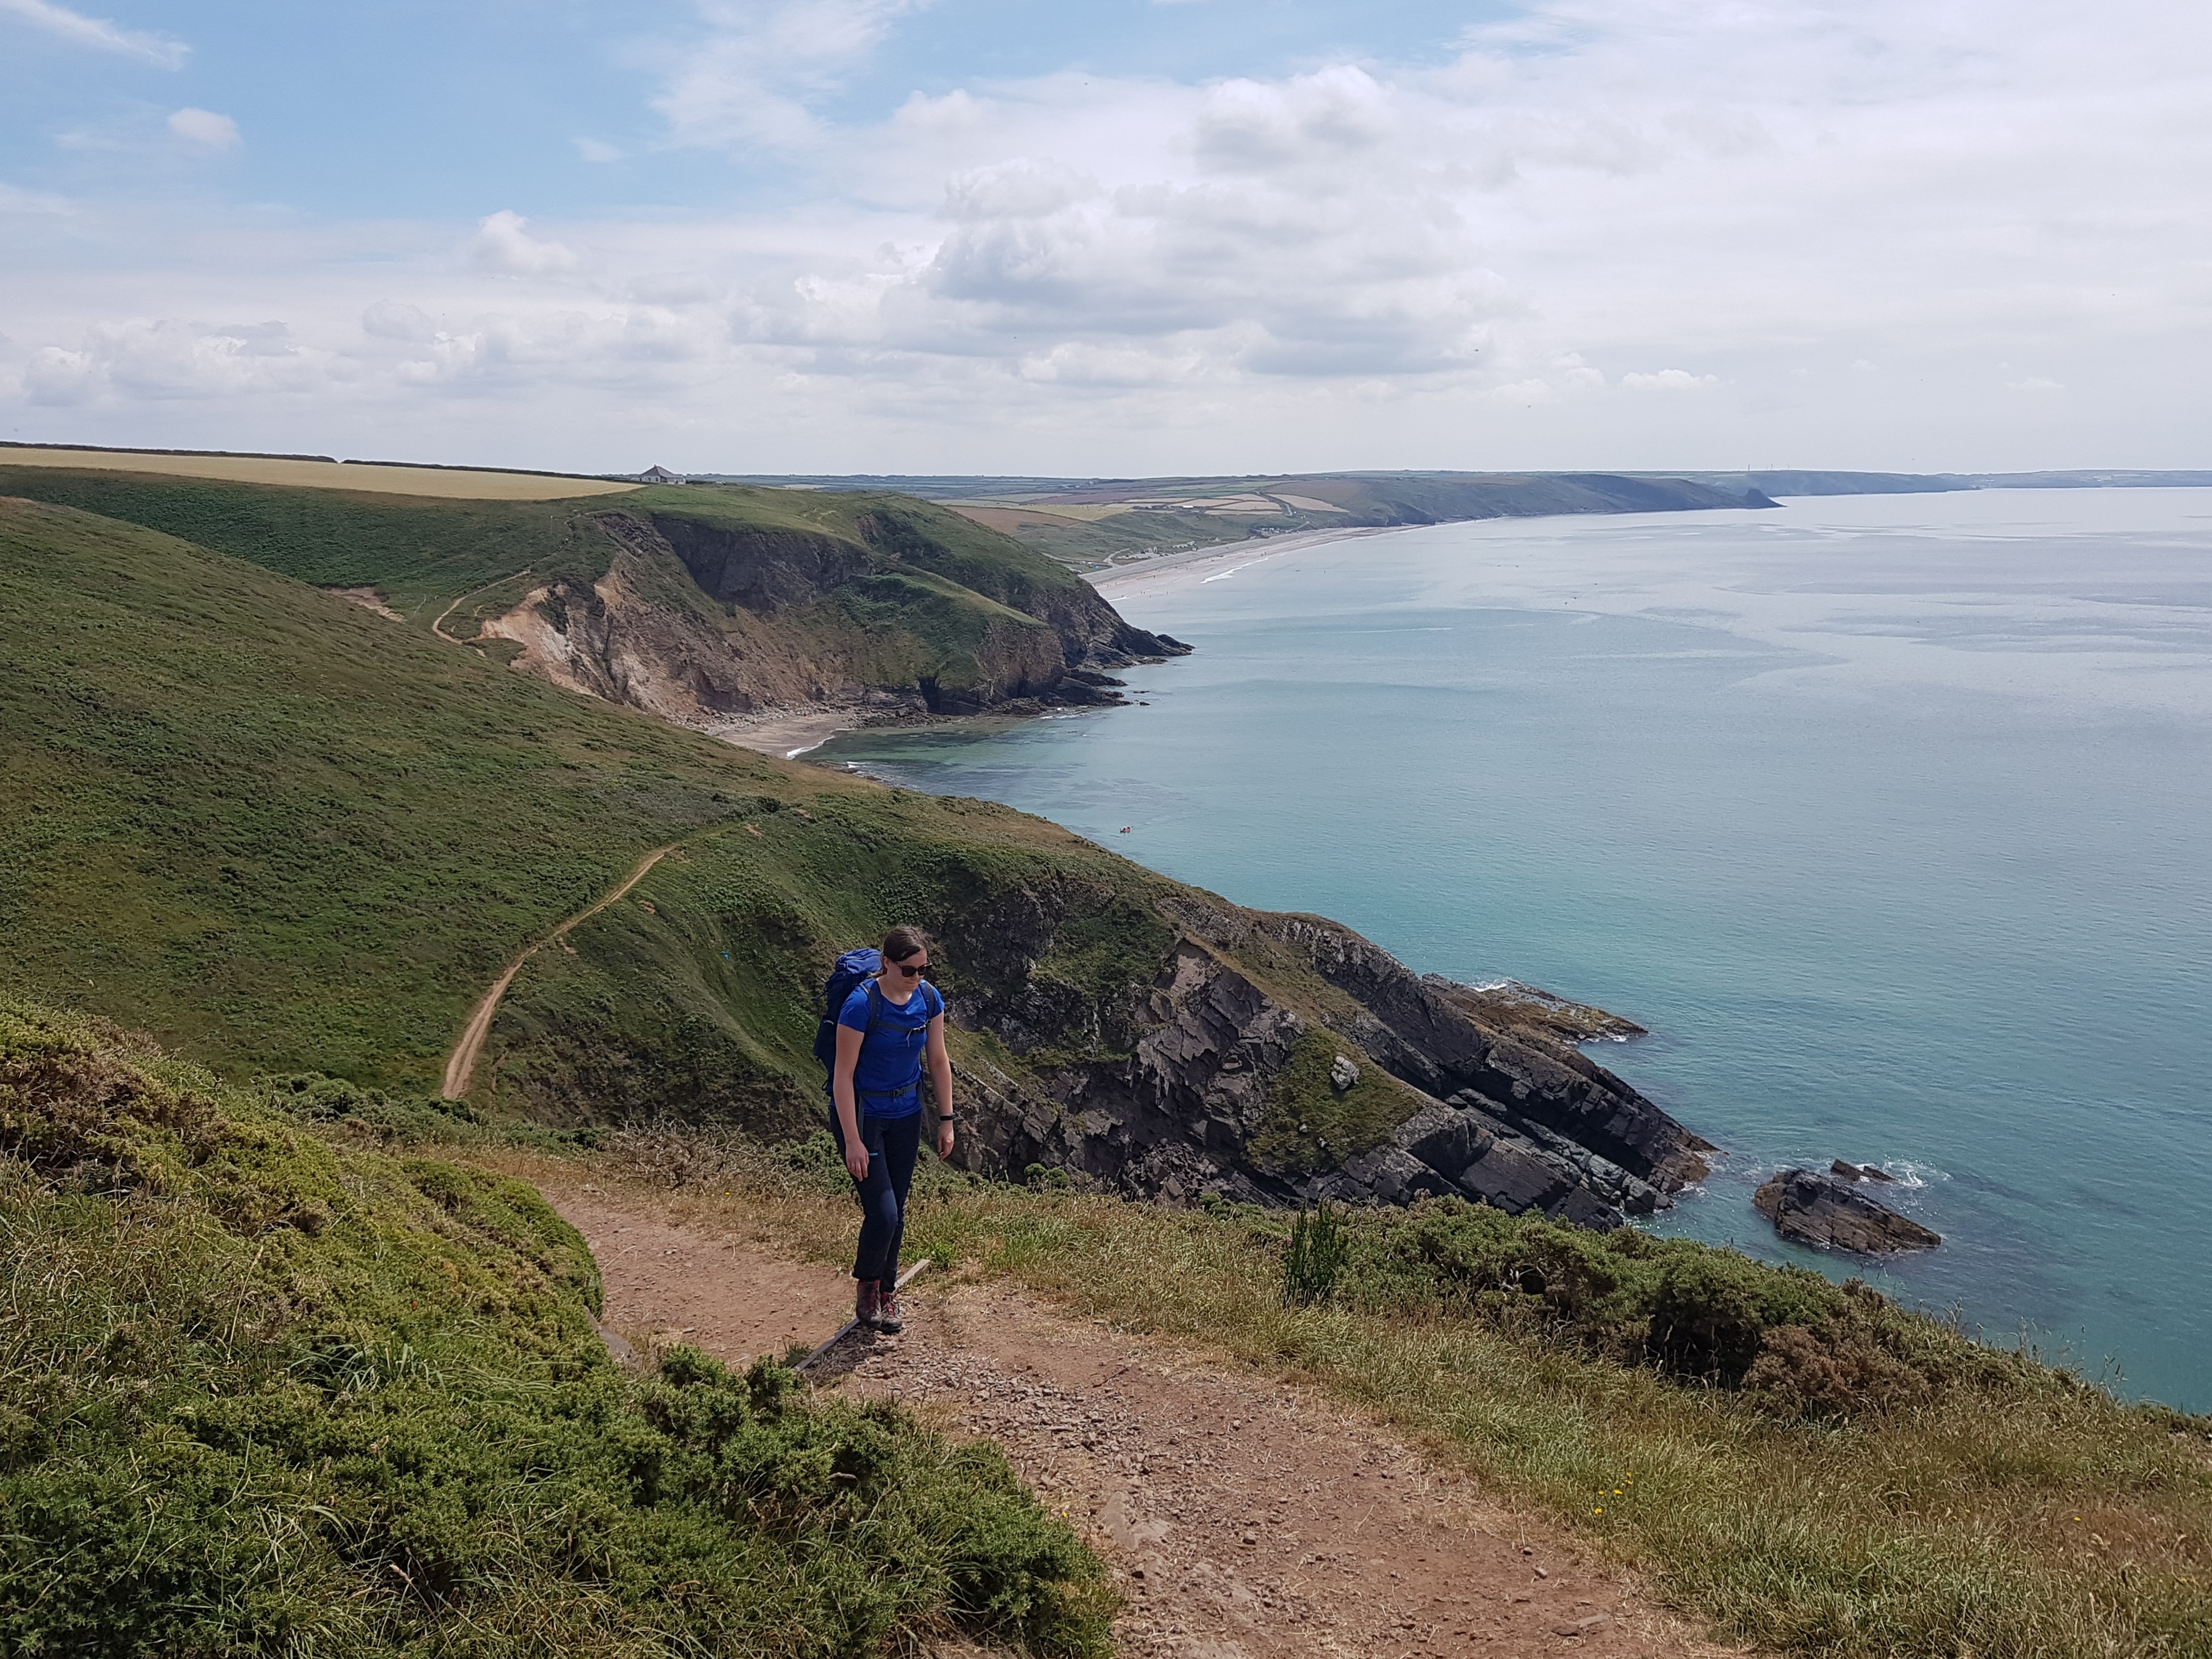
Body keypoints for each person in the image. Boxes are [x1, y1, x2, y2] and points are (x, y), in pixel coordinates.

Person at [827, 925, 954, 1334]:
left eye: (924, 968)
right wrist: (852, 1140)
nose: (917, 976)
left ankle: (887, 1293)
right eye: (908, 969)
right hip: (864, 1115)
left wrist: (947, 1120)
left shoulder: (929, 998)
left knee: (896, 1212)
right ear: (886, 963)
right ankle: (867, 1288)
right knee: (882, 1213)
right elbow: (842, 1077)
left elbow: (937, 1060)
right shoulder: (859, 1006)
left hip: (906, 1113)